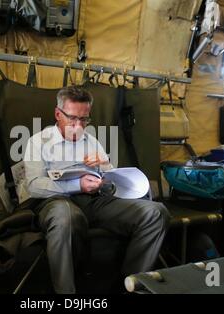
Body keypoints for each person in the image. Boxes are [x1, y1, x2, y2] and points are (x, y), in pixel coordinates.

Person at [23, 86, 170, 294]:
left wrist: (105, 170)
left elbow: (112, 186)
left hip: (94, 201)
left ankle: (128, 287)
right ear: (58, 114)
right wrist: (77, 184)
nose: (78, 126)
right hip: (56, 202)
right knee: (66, 217)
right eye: (72, 118)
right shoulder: (38, 142)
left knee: (156, 212)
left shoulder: (91, 141)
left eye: (84, 120)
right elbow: (34, 186)